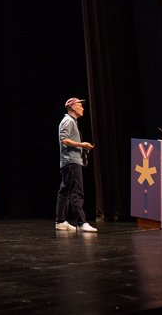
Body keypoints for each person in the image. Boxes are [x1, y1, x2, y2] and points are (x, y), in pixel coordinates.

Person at [55, 97, 96, 233]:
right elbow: (64, 140)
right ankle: (81, 222)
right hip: (71, 162)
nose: (82, 108)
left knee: (65, 191)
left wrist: (82, 148)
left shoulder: (72, 121)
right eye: (80, 105)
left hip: (69, 161)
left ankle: (61, 221)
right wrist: (81, 145)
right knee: (76, 192)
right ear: (72, 107)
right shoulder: (68, 121)